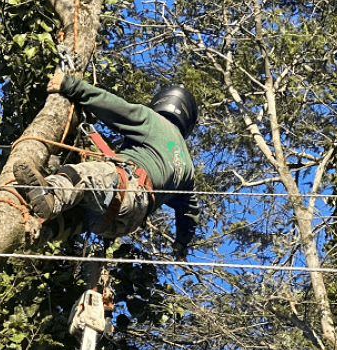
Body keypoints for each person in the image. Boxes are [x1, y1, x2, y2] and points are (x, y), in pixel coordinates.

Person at [14, 72, 199, 259]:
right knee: (79, 214)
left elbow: (113, 107)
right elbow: (189, 215)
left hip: (125, 187)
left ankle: (50, 194)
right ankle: (43, 231)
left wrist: (70, 85)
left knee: (81, 176)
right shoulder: (188, 168)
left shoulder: (155, 121)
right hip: (124, 222)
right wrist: (181, 244)